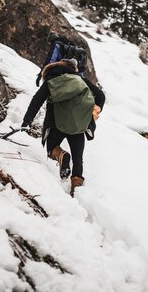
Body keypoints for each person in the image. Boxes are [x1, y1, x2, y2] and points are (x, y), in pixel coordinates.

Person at [22, 58, 105, 196]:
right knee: (78, 158)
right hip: (78, 125)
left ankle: (61, 155)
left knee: (51, 148)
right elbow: (101, 96)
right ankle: (75, 191)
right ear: (73, 69)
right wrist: (91, 114)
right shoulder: (80, 80)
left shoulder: (51, 81)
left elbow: (36, 101)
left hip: (56, 124)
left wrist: (26, 122)